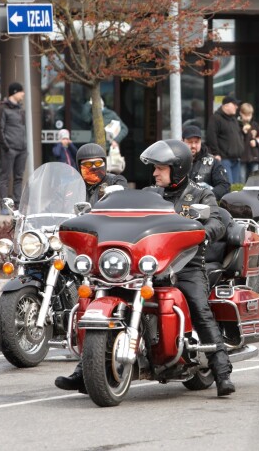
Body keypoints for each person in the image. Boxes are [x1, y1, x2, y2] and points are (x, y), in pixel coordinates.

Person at [142, 139, 235, 396]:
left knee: (198, 307)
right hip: (150, 264)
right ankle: (87, 370)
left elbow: (218, 221)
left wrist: (203, 233)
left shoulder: (200, 194)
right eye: (155, 168)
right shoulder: (150, 195)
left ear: (177, 168)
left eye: (160, 168)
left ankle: (222, 373)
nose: (155, 173)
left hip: (187, 264)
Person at [54, 143, 129, 394]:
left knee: (93, 308)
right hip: (79, 249)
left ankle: (85, 371)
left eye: (98, 164)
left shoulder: (115, 183)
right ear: (79, 167)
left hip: (105, 253)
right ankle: (84, 368)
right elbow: (57, 211)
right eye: (87, 166)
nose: (94, 170)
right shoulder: (72, 189)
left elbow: (119, 209)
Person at [0, 82, 26, 215]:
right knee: (5, 177)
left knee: (19, 178)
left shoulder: (20, 109)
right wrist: (5, 147)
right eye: (21, 92)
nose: (23, 94)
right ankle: (4, 206)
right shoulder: (2, 109)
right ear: (14, 92)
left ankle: (17, 205)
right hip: (9, 149)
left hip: (22, 149)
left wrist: (25, 145)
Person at [182, 124, 230, 200]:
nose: (193, 145)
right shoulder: (175, 161)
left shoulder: (213, 162)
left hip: (204, 206)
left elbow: (224, 185)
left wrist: (207, 196)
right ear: (182, 141)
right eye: (190, 142)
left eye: (196, 142)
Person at [206, 95, 244, 184]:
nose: (236, 107)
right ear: (226, 105)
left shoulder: (234, 119)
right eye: (234, 104)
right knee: (227, 184)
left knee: (236, 186)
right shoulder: (216, 118)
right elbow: (211, 137)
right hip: (224, 159)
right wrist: (216, 153)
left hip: (236, 159)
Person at [238, 102, 259, 182]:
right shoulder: (237, 124)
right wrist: (243, 132)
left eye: (249, 115)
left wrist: (256, 142)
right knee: (242, 177)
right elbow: (234, 139)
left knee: (255, 177)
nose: (247, 118)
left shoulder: (255, 125)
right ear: (240, 114)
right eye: (245, 115)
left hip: (253, 156)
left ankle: (254, 193)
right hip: (242, 156)